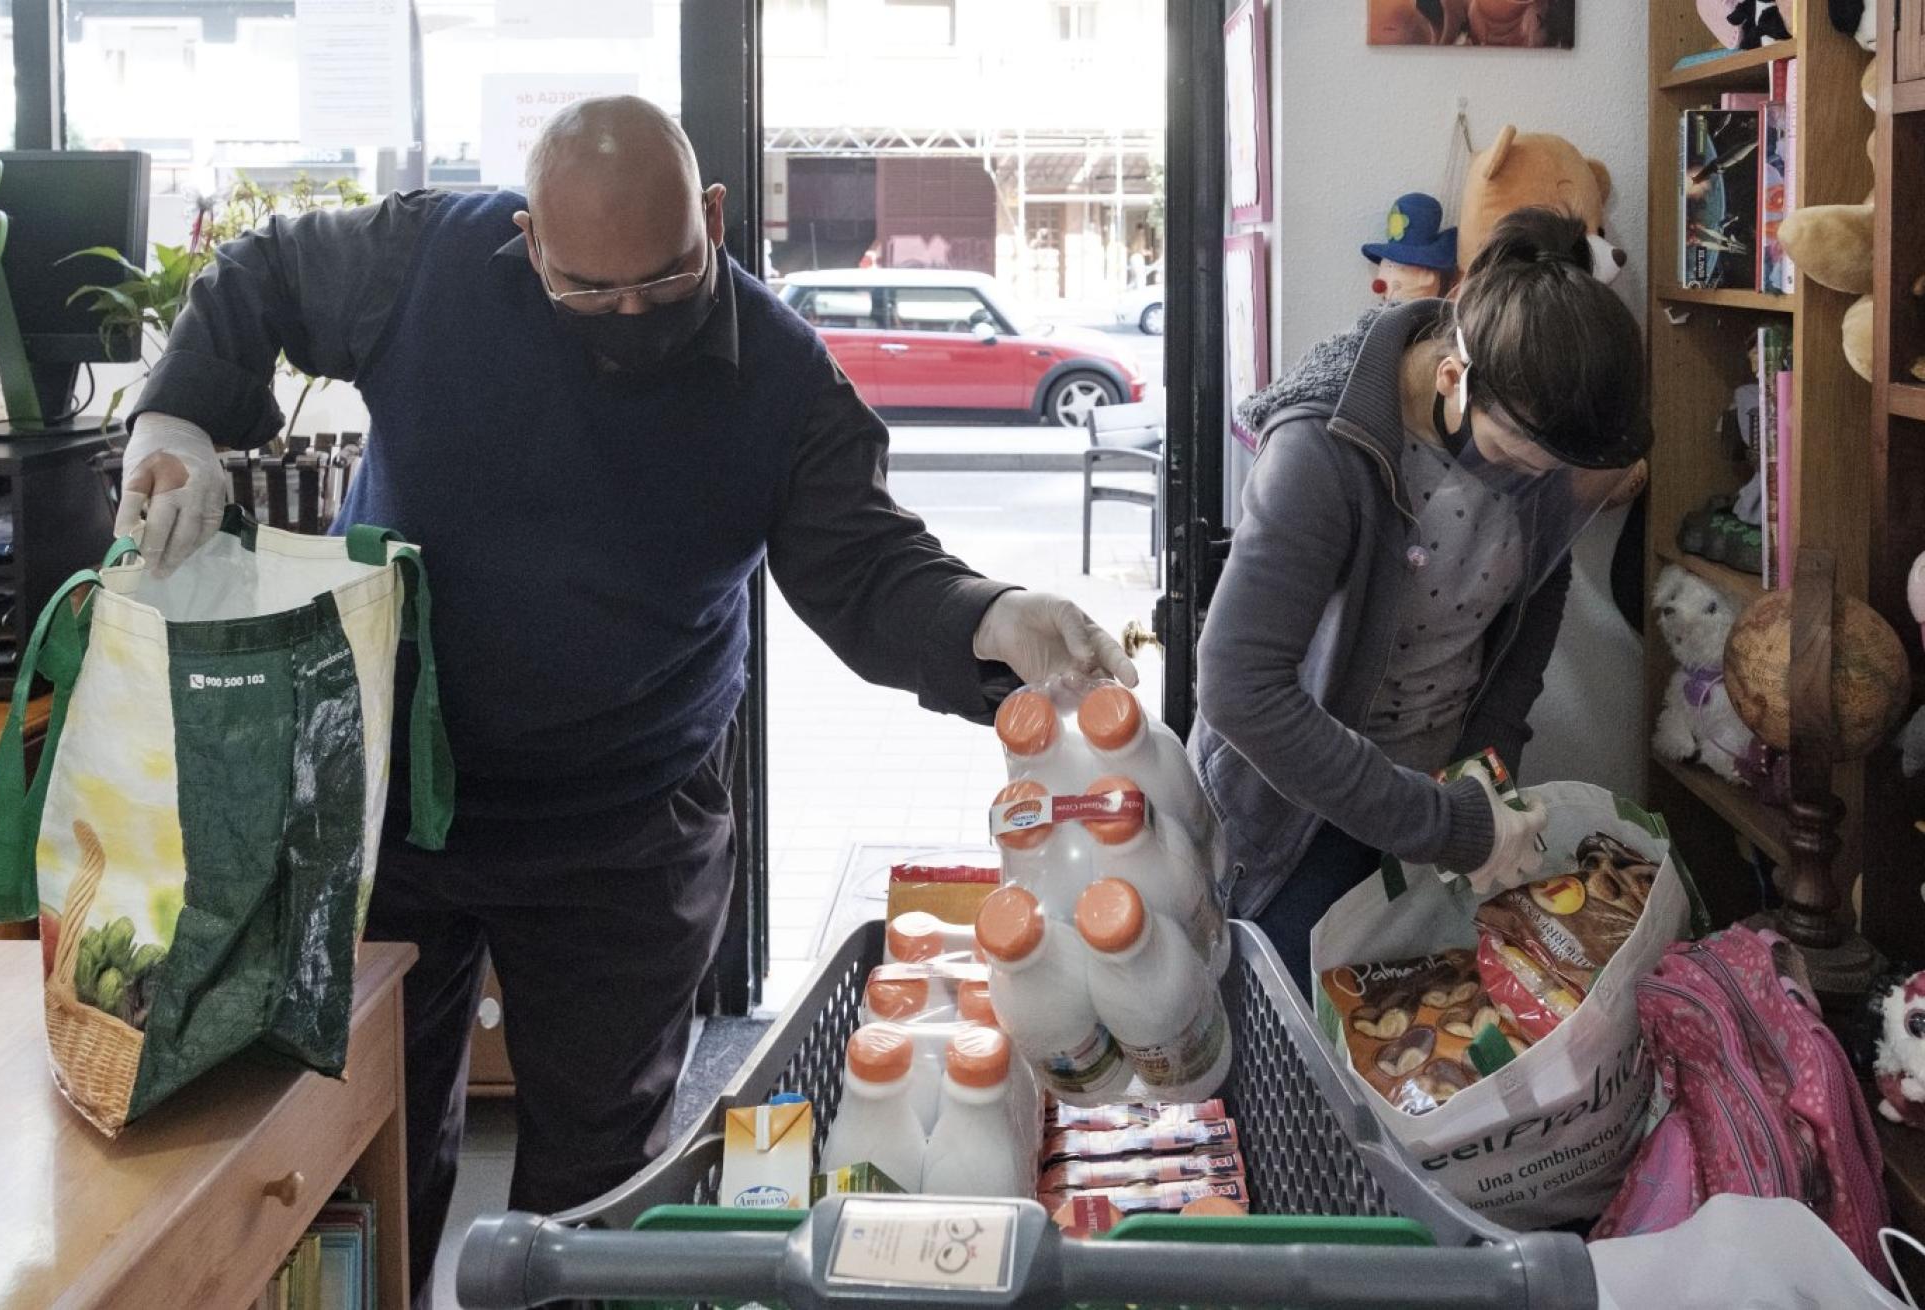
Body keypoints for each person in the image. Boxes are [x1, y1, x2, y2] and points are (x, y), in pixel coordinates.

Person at [116, 96, 1134, 1303]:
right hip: (392, 794)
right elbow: (262, 273)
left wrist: (989, 617)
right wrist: (177, 414)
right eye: (591, 293)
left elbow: (866, 567)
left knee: (594, 1188)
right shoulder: (428, 261)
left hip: (626, 831)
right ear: (530, 244)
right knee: (365, 1146)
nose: (634, 317)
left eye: (666, 280)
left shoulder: (782, 377)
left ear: (713, 218)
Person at [1190, 207, 1650, 987]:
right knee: (1300, 1052)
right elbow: (1239, 689)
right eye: (1519, 457)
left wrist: (1487, 768)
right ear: (1452, 378)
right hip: (1301, 817)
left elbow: (1537, 591)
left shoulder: (1527, 415)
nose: (1534, 481)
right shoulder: (1323, 452)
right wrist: (1451, 826)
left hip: (1441, 803)